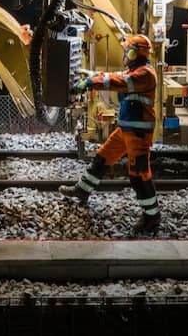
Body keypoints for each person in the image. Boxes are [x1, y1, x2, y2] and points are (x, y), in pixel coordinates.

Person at [59, 34, 161, 233]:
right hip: (125, 130)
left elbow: (118, 80)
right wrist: (91, 75)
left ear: (134, 53)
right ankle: (82, 190)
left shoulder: (145, 74)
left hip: (138, 134)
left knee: (139, 175)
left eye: (127, 51)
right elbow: (115, 76)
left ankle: (152, 216)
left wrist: (90, 82)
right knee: (101, 158)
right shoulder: (136, 71)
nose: (125, 54)